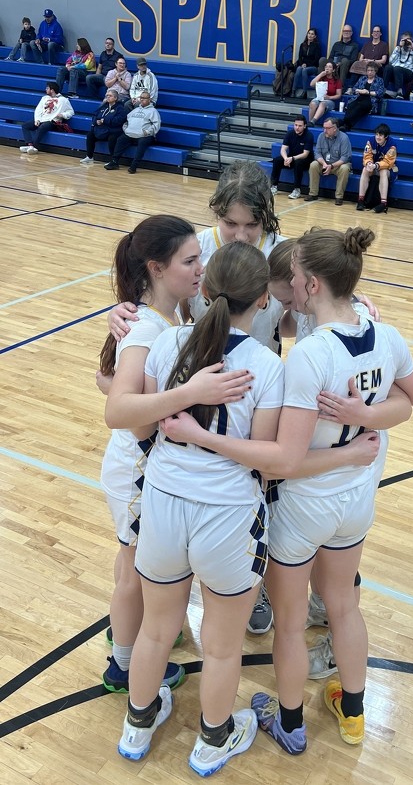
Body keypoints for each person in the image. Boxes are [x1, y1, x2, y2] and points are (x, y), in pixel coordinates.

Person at [161, 226, 413, 755]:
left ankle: (289, 722)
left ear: (308, 284)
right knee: (344, 608)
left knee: (288, 625)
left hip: (307, 504)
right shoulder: (386, 332)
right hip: (357, 500)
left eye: (291, 279)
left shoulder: (309, 357)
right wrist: (367, 418)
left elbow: (284, 462)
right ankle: (354, 715)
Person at [107, 240, 378, 772]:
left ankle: (137, 726)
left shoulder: (166, 344)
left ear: (204, 290)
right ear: (263, 304)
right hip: (228, 516)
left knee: (157, 631)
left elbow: (140, 421)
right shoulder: (266, 365)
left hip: (161, 505)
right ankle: (213, 738)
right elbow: (273, 461)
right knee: (223, 645)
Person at [98, 215, 252, 699]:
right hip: (134, 467)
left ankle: (133, 641)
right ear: (156, 268)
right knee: (130, 571)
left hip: (146, 465)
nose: (200, 268)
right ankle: (123, 665)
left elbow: (108, 379)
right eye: (190, 261)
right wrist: (189, 392)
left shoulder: (172, 316)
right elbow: (119, 408)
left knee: (134, 567)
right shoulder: (145, 327)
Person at [105, 91, 161, 173]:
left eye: (144, 98)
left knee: (143, 142)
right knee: (121, 139)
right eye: (141, 98)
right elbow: (126, 121)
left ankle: (134, 166)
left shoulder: (153, 111)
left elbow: (156, 125)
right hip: (131, 134)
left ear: (149, 99)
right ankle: (114, 161)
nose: (142, 100)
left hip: (144, 135)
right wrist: (126, 129)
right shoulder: (135, 110)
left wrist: (147, 132)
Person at [305, 117, 353, 205]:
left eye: (327, 128)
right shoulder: (321, 136)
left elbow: (344, 158)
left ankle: (339, 197)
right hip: (325, 164)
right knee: (313, 165)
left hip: (338, 165)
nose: (325, 130)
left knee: (344, 168)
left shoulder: (344, 138)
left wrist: (331, 166)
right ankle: (313, 193)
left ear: (335, 128)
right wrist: (324, 164)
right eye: (324, 128)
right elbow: (317, 153)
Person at [19, 81, 74, 154]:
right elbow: (38, 109)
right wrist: (37, 119)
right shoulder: (44, 98)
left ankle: (34, 147)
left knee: (42, 127)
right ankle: (30, 145)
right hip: (42, 119)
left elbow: (71, 111)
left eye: (47, 88)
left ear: (52, 90)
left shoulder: (63, 100)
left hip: (53, 122)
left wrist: (63, 115)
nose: (45, 89)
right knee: (25, 125)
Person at [356, 123, 398, 214]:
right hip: (374, 167)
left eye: (381, 135)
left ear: (386, 137)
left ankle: (383, 203)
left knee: (383, 171)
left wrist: (376, 165)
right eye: (377, 134)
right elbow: (367, 156)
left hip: (389, 169)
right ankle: (360, 200)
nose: (378, 137)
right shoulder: (370, 141)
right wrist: (369, 164)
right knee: (365, 169)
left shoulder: (392, 145)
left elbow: (388, 162)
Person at [270, 114, 314, 199]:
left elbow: (305, 154)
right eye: (295, 125)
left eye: (300, 126)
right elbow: (283, 149)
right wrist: (286, 158)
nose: (297, 127)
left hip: (305, 160)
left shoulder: (309, 135)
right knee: (277, 160)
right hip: (291, 157)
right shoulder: (290, 134)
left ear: (304, 126)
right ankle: (274, 186)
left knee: (298, 163)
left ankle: (296, 189)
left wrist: (292, 158)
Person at [79, 89, 127, 164]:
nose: (108, 97)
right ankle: (89, 156)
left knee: (112, 138)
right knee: (90, 135)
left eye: (110, 96)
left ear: (115, 98)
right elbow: (95, 115)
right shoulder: (104, 106)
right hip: (102, 129)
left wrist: (105, 121)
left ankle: (113, 160)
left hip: (113, 130)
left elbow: (119, 120)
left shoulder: (120, 108)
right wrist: (96, 122)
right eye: (107, 95)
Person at [340, 63, 385, 131]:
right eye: (368, 70)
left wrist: (368, 92)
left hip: (370, 100)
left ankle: (344, 122)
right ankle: (347, 126)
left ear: (375, 71)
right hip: (359, 97)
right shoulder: (362, 78)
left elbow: (380, 93)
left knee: (360, 106)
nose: (369, 72)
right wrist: (360, 91)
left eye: (372, 70)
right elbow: (355, 88)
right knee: (351, 105)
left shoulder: (379, 80)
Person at [383, 31, 413, 99]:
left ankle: (399, 91)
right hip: (396, 74)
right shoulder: (398, 48)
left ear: (411, 40)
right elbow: (391, 61)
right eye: (404, 40)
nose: (406, 42)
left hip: (408, 74)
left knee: (397, 68)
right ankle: (383, 89)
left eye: (407, 40)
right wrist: (399, 48)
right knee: (388, 67)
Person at [291, 28, 321, 98]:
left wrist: (307, 65)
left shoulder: (317, 46)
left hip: (313, 67)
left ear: (315, 36)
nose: (310, 35)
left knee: (304, 70)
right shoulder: (302, 45)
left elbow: (316, 59)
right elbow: (300, 57)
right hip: (303, 65)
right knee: (299, 69)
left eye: (312, 34)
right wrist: (302, 64)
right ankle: (293, 90)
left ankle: (305, 92)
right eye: (309, 33)